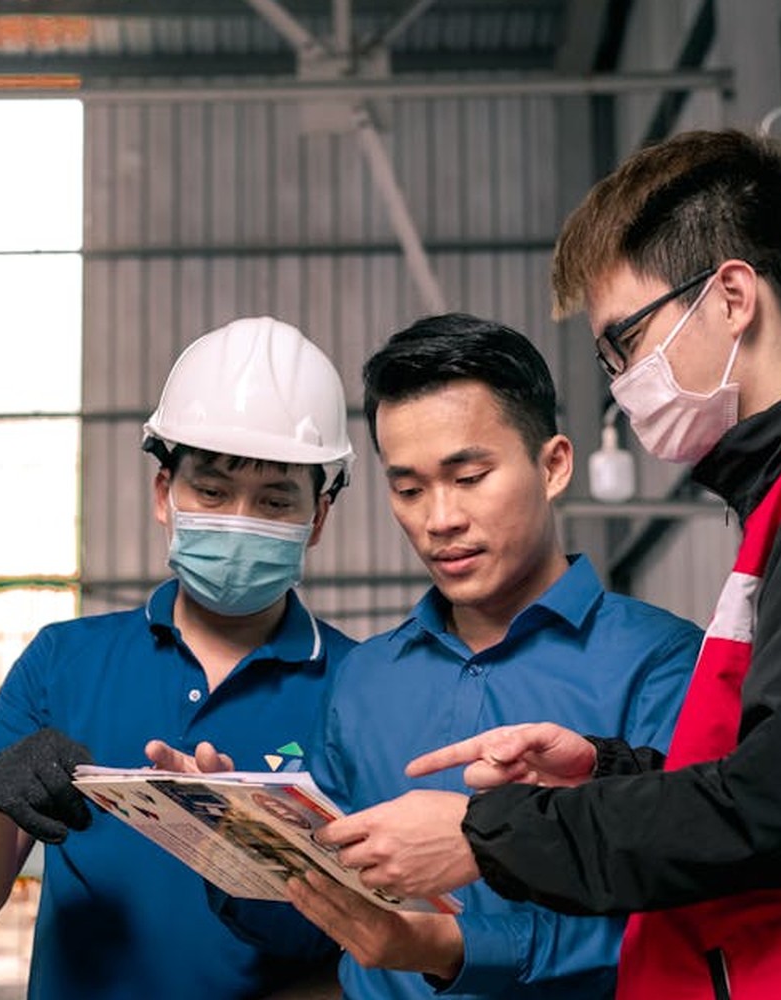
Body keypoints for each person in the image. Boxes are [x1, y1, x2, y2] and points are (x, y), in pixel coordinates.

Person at [322, 130, 781, 999]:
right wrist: (607, 770)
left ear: (732, 296)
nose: (623, 381)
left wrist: (487, 834)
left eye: (628, 341)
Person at [162, 315, 702, 999]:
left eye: (469, 476)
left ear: (553, 464)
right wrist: (240, 848)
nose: (438, 518)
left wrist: (452, 948)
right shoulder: (366, 679)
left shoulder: (662, 667)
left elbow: (686, 917)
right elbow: (327, 923)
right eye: (408, 489)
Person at [0, 316, 357, 1000]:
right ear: (165, 493)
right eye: (212, 491)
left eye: (275, 500)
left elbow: (375, 953)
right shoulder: (64, 662)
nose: (239, 517)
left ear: (318, 519)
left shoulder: (364, 687)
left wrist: (255, 857)